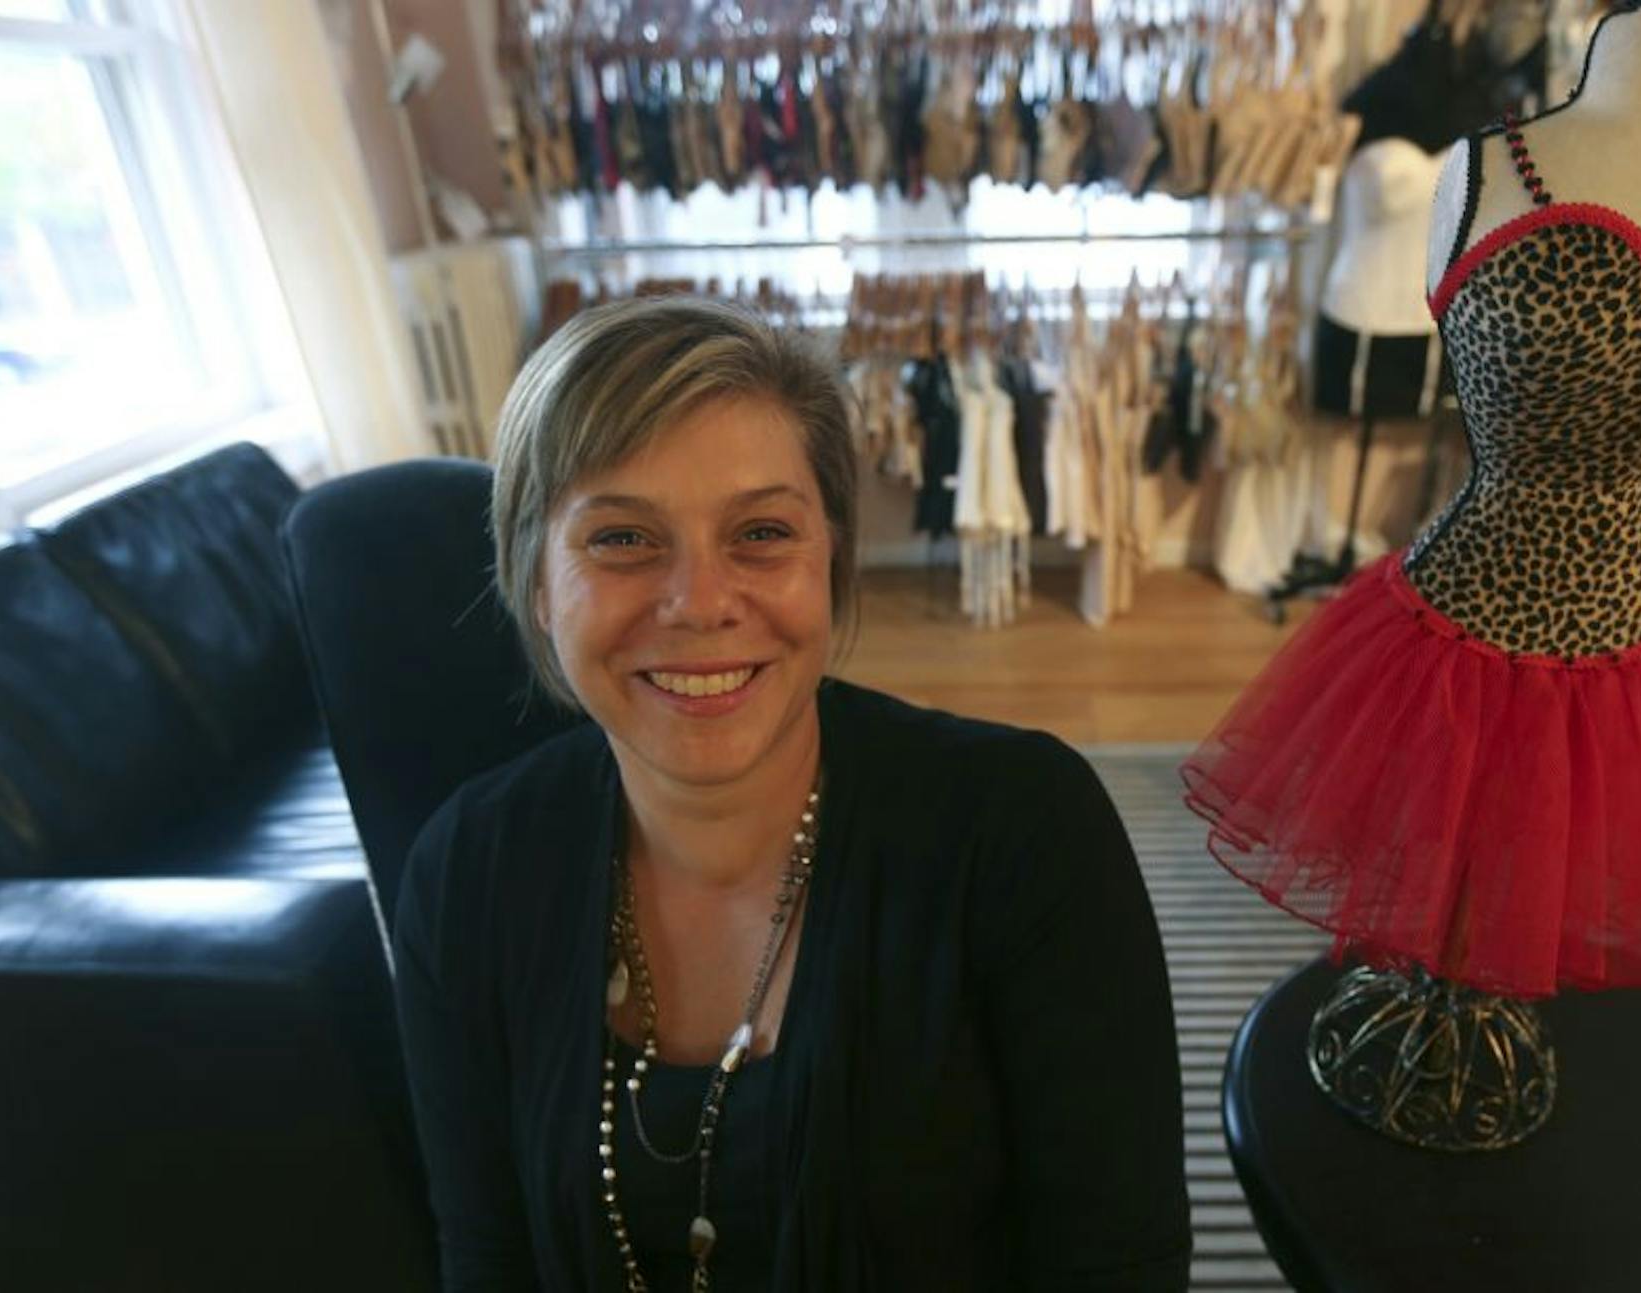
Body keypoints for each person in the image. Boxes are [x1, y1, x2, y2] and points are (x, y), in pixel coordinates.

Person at [393, 295, 1190, 1290]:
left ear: (832, 564)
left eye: (761, 532)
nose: (700, 604)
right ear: (538, 585)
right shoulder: (466, 876)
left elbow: (1119, 1267)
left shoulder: (1028, 835)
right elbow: (486, 1260)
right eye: (621, 540)